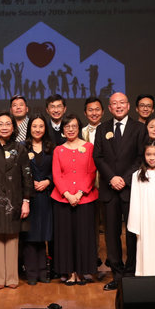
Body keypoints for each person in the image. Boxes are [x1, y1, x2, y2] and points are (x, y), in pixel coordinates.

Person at [95, 92, 142, 290]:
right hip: (109, 189)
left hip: (130, 188)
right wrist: (112, 178)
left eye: (122, 102)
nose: (119, 106)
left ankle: (131, 273)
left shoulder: (139, 128)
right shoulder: (102, 128)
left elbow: (141, 157)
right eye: (114, 103)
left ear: (128, 106)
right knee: (111, 234)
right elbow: (98, 157)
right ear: (110, 108)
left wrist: (125, 178)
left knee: (132, 233)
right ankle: (117, 274)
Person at [0, 113, 33, 289]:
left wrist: (26, 201)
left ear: (13, 127)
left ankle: (11, 277)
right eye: (0, 124)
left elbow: (27, 176)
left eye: (8, 124)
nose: (4, 127)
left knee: (12, 238)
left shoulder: (20, 149)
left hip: (15, 198)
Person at [52, 114, 98, 286]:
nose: (70, 129)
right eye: (67, 127)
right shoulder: (58, 150)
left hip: (84, 198)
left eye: (74, 126)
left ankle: (82, 272)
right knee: (65, 237)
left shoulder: (89, 147)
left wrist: (79, 193)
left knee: (84, 236)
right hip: (63, 200)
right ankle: (69, 272)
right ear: (63, 130)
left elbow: (91, 172)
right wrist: (67, 194)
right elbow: (57, 175)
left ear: (79, 128)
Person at [128, 142, 155, 277]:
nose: (151, 158)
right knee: (145, 246)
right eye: (148, 154)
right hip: (145, 219)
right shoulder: (137, 175)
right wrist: (136, 223)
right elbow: (135, 200)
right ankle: (145, 276)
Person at [23, 116, 55, 284]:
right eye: (34, 126)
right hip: (28, 197)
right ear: (29, 128)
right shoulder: (23, 147)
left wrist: (48, 181)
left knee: (43, 234)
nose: (37, 129)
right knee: (30, 235)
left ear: (45, 128)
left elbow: (57, 170)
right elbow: (19, 170)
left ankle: (43, 272)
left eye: (41, 126)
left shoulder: (51, 148)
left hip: (46, 196)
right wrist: (30, 182)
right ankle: (31, 273)